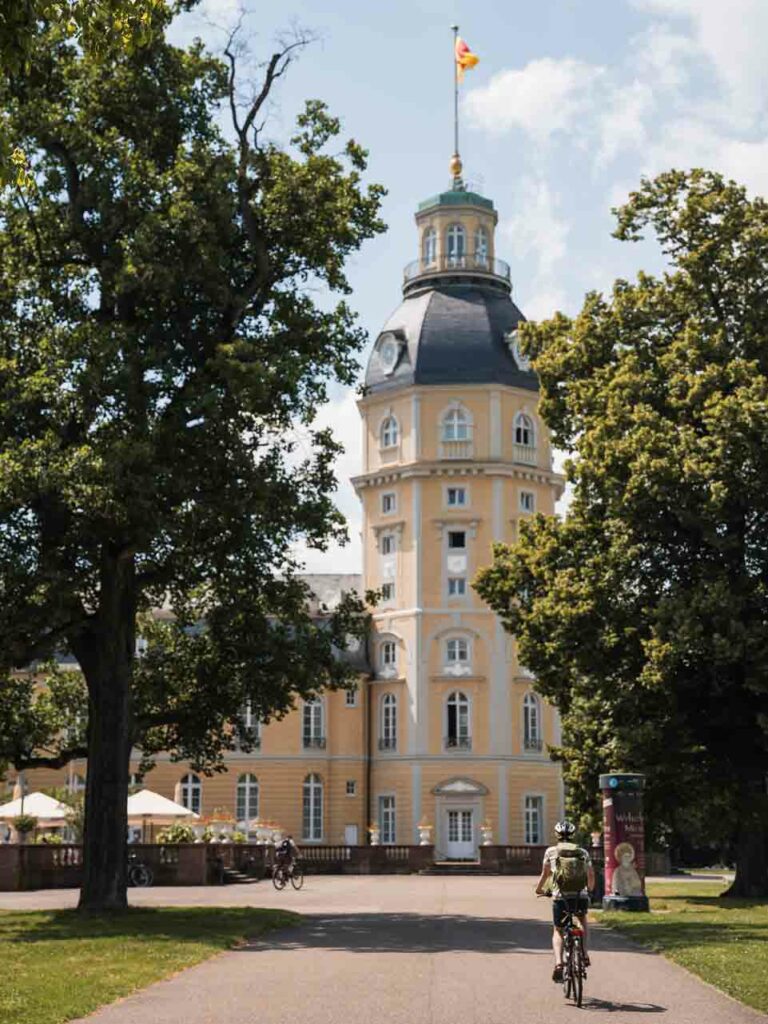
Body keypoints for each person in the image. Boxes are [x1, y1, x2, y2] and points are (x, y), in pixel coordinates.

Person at [535, 820, 595, 983]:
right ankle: (584, 953)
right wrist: (589, 890)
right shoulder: (582, 852)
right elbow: (590, 875)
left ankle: (559, 963)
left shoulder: (551, 852)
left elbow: (545, 874)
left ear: (557, 835)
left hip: (560, 897)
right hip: (579, 896)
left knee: (558, 930)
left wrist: (539, 890)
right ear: (573, 835)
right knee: (582, 920)